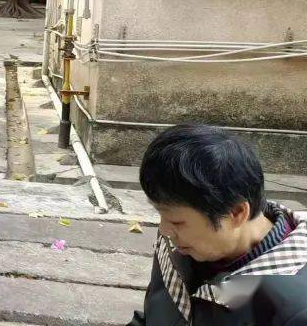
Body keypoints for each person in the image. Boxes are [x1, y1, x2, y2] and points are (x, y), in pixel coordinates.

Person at [130, 125, 307, 325]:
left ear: (237, 213)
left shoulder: (294, 310)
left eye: (177, 221)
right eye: (161, 214)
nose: (164, 229)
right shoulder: (179, 247)